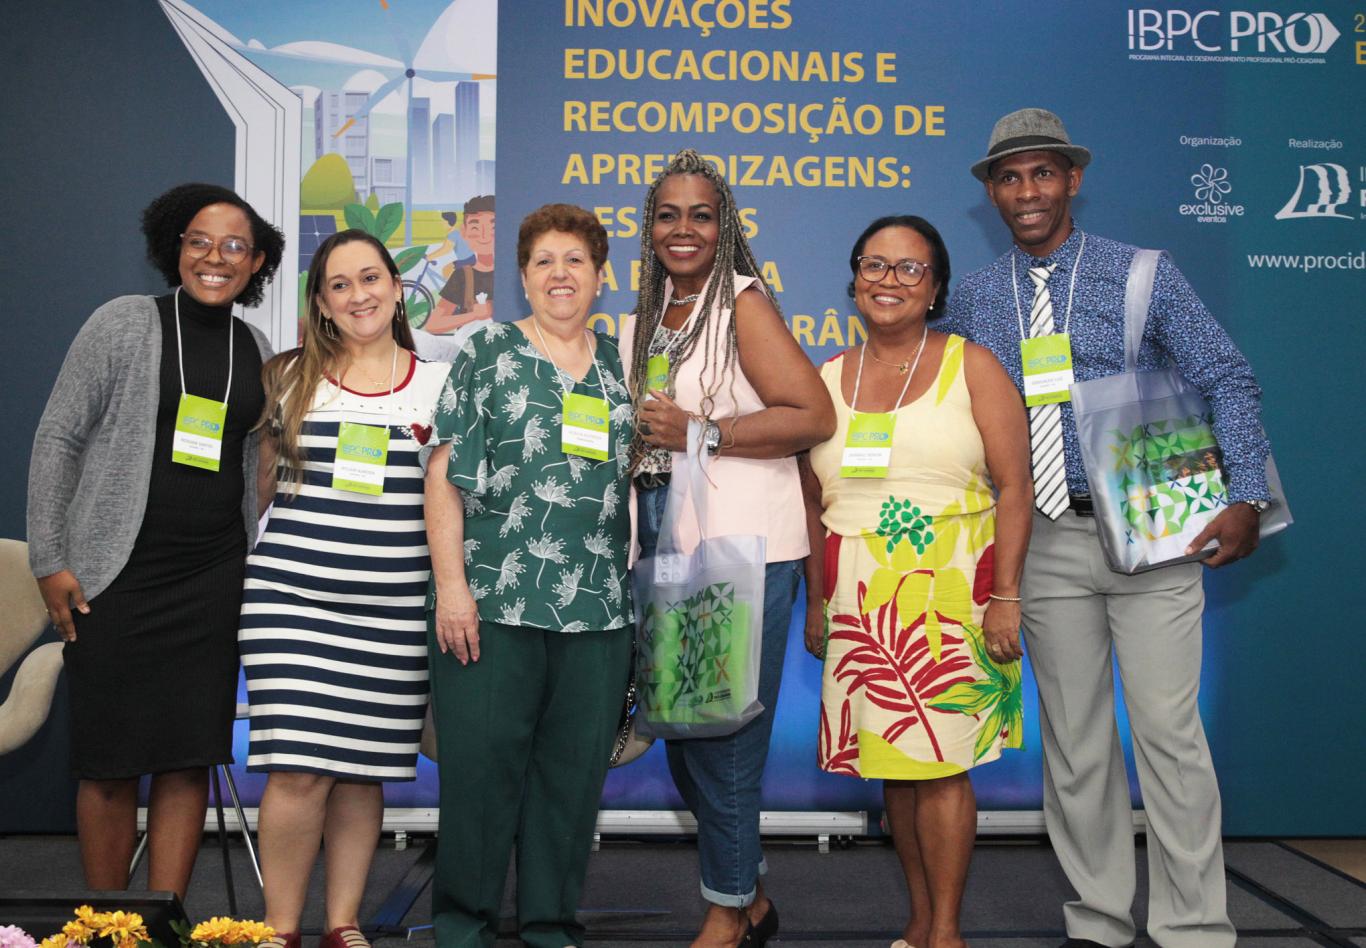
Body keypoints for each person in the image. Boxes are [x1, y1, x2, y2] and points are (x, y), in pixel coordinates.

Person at [944, 108, 1272, 948]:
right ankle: (1098, 922)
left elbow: (1227, 376)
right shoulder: (974, 298)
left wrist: (1246, 494)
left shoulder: (1142, 273)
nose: (1027, 191)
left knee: (1167, 735)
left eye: (1042, 173)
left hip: (1155, 533)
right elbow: (950, 416)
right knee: (1077, 745)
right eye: (1010, 177)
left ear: (1073, 180)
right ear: (991, 193)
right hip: (1044, 543)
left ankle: (1194, 928)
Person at [26, 183, 283, 899]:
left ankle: (163, 922)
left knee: (187, 759)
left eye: (233, 246)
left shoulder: (256, 348)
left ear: (256, 262)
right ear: (176, 247)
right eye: (199, 241)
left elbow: (253, 463)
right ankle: (107, 925)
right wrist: (50, 559)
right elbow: (58, 437)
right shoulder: (124, 323)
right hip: (114, 576)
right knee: (108, 764)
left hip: (211, 579)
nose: (214, 257)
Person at [622, 149, 835, 948]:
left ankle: (726, 910)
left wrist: (702, 431)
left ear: (726, 226)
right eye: (668, 215)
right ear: (649, 228)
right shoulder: (648, 316)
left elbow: (812, 415)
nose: (684, 229)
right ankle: (750, 899)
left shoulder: (742, 303)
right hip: (670, 549)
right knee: (685, 740)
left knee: (727, 744)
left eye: (701, 215)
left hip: (742, 553)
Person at [799, 215, 1032, 948]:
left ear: (935, 289)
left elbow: (1016, 487)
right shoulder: (824, 379)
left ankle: (949, 932)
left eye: (909, 269)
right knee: (896, 765)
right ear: (854, 280)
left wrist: (1007, 597)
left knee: (941, 765)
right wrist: (817, 601)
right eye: (874, 265)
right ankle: (921, 920)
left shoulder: (974, 366)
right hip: (860, 600)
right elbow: (810, 501)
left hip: (950, 593)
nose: (889, 281)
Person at [424, 203, 635, 948]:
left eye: (575, 260)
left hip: (599, 610)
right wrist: (452, 588)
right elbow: (443, 477)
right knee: (481, 778)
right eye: (544, 261)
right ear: (522, 276)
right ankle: (463, 928)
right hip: (492, 602)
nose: (560, 274)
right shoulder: (487, 352)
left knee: (571, 784)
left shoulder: (622, 366)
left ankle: (550, 926)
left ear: (601, 276)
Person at [239, 229, 448, 948]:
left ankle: (342, 924)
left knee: (363, 772)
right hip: (291, 603)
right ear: (322, 304)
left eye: (370, 278)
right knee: (298, 769)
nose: (358, 294)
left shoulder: (439, 384)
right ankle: (279, 930)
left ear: (396, 288)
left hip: (395, 612)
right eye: (339, 284)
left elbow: (450, 502)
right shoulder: (287, 378)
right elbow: (256, 490)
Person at [427, 194, 495, 335]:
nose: (484, 235)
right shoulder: (462, 275)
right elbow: (434, 324)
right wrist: (474, 315)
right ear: (464, 232)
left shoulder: (514, 275)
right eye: (475, 227)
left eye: (493, 227)